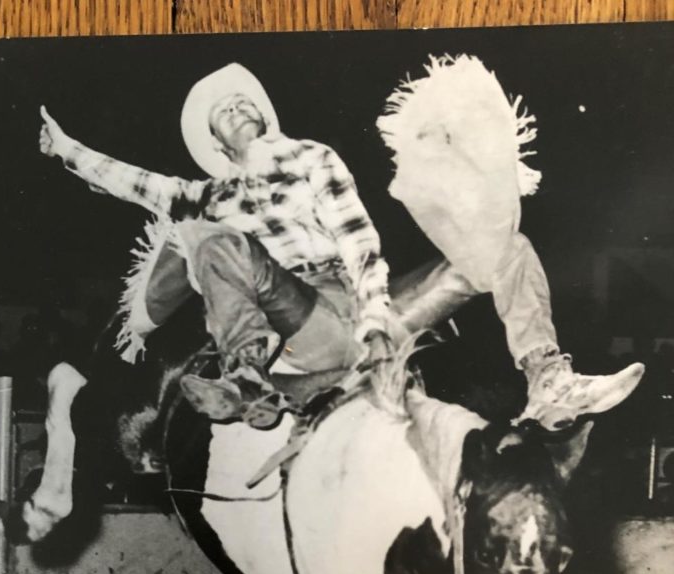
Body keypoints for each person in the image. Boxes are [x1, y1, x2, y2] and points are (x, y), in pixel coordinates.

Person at [39, 62, 643, 431]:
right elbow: (133, 182)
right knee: (205, 237)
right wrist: (65, 149)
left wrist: (378, 317)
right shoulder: (208, 196)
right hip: (298, 317)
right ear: (215, 140)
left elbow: (359, 241)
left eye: (244, 100)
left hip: (362, 306)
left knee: (506, 247)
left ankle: (547, 378)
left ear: (265, 116)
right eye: (225, 111)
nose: (239, 107)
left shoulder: (311, 157)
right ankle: (247, 378)